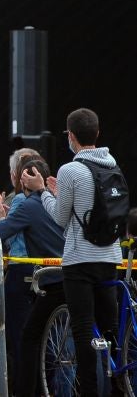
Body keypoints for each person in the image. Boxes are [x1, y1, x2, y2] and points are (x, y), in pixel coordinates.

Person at [34, 107, 125, 397]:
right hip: (111, 257)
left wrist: (44, 193)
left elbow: (61, 218)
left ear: (71, 136)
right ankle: (120, 387)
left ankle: (88, 392)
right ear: (97, 134)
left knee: (84, 331)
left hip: (80, 261)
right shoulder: (113, 165)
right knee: (111, 330)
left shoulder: (70, 170)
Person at [0, 155, 64, 397]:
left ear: (23, 180)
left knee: (27, 339)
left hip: (45, 278)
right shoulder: (58, 201)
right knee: (66, 340)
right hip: (71, 273)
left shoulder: (25, 204)